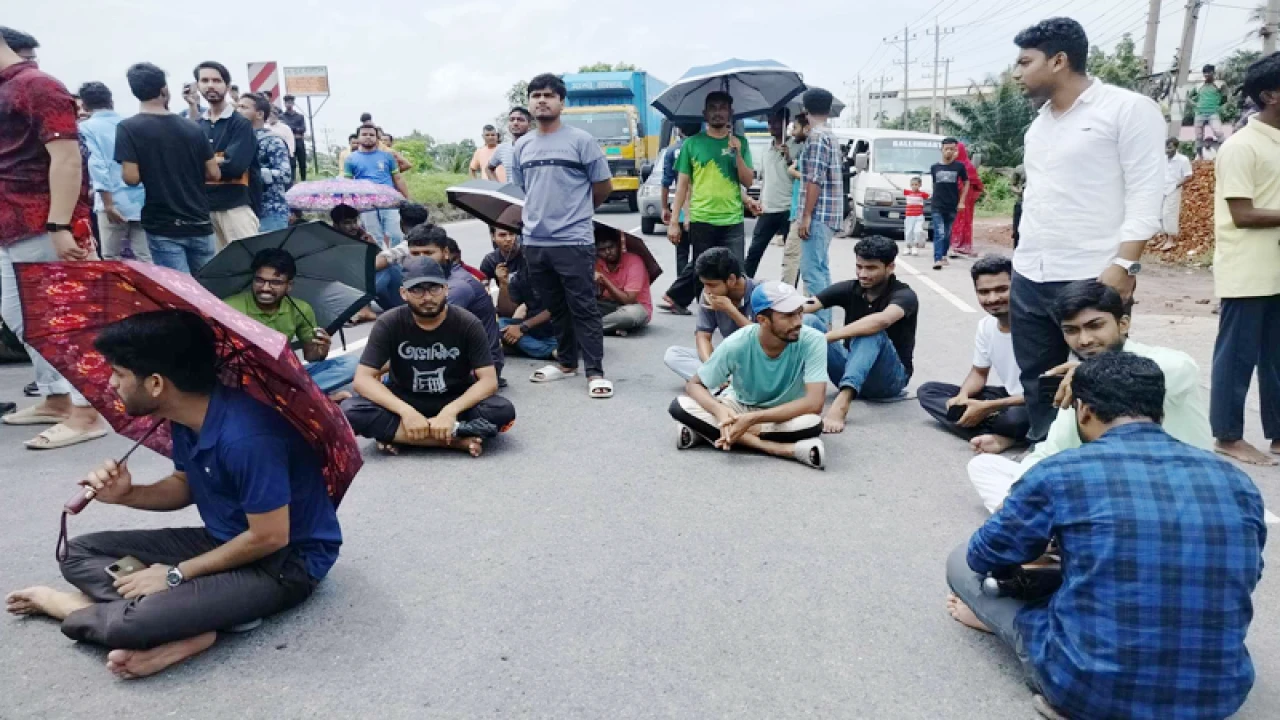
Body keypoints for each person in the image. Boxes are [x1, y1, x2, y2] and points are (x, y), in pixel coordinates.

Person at [4, 310, 342, 679]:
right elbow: (184, 486)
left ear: (155, 384)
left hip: (285, 562)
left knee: (133, 626)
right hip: (225, 539)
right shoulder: (189, 416)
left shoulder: (248, 438)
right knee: (78, 552)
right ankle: (194, 620)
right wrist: (126, 494)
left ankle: (79, 608)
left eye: (119, 373)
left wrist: (176, 576)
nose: (112, 383)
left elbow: (270, 536)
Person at [946, 352, 1265, 720]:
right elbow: (1246, 575)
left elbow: (985, 556)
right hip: (1218, 696)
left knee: (961, 563)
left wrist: (1046, 552)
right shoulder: (1234, 480)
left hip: (1090, 690)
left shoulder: (1061, 472)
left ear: (1083, 411)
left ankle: (1003, 625)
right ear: (1158, 411)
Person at [1010, 17, 1164, 442]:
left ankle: (1104, 467)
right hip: (1031, 271)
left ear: (1059, 60)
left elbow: (1147, 192)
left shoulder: (1126, 109)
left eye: (1025, 62)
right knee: (1039, 378)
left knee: (1101, 378)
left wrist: (1125, 264)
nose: (1017, 73)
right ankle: (1046, 458)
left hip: (1092, 272)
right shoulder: (1039, 125)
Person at [967, 280, 1211, 513]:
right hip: (1104, 486)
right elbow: (1050, 452)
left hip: (1174, 487)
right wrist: (1016, 497)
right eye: (1071, 330)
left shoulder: (1167, 364)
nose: (1084, 340)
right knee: (984, 466)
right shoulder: (1073, 380)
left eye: (1095, 325)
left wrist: (1094, 375)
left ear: (1123, 324)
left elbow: (1182, 371)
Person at [0, 29, 108, 451]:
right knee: (22, 319)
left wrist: (60, 225)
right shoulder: (10, 88)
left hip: (43, 223)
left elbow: (66, 158)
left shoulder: (37, 86)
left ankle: (86, 411)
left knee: (65, 320)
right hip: (13, 227)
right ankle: (57, 397)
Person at [341, 258, 516, 456]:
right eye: (417, 290)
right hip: (404, 399)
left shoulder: (467, 323)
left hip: (455, 399)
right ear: (403, 293)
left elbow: (489, 381)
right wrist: (406, 412)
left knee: (501, 410)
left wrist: (449, 412)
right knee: (351, 411)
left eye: (434, 288)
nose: (427, 297)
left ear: (446, 289)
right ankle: (455, 440)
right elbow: (363, 379)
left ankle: (403, 437)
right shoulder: (389, 323)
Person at [511, 73, 615, 398]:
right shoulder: (522, 146)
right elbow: (523, 189)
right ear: (530, 102)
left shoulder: (581, 141)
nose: (542, 100)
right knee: (555, 307)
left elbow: (603, 186)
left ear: (561, 102)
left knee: (583, 306)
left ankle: (595, 372)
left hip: (574, 241)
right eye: (536, 95)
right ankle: (567, 363)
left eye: (549, 95)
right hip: (535, 242)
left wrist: (579, 213)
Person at [668, 281, 826, 469]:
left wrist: (752, 420)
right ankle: (780, 449)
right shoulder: (738, 342)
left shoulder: (814, 340)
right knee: (680, 406)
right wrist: (719, 412)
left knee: (812, 423)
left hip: (783, 414)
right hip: (739, 406)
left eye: (800, 312)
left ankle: (706, 433)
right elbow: (694, 384)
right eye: (788, 316)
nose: (798, 322)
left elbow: (814, 403)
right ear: (762, 320)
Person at [1209, 51, 1280, 467]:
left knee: (1277, 359)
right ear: (1270, 94)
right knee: (1237, 358)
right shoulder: (1241, 147)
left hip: (1276, 267)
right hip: (1249, 269)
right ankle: (1228, 435)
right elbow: (1242, 213)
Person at [802, 235, 918, 433]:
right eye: (859, 267)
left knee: (871, 331)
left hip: (888, 381)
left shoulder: (904, 295)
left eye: (871, 268)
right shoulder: (850, 288)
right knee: (807, 322)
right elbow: (808, 306)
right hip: (848, 367)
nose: (862, 274)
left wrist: (826, 338)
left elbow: (881, 321)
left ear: (890, 267)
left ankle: (843, 401)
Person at [114, 63, 219, 274]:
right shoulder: (192, 127)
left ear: (135, 92)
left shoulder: (128, 128)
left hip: (162, 224)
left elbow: (131, 178)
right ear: (164, 90)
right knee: (210, 289)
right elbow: (214, 173)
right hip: (199, 220)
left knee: (180, 292)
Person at [918, 256, 1027, 453]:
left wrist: (988, 407)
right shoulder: (986, 326)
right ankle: (1009, 434)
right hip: (1008, 398)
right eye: (984, 292)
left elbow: (1043, 392)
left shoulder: (1037, 327)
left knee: (1016, 418)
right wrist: (963, 396)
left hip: (1032, 401)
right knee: (928, 392)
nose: (992, 298)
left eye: (1002, 289)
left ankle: (1006, 434)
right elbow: (978, 373)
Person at [662, 91, 757, 313]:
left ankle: (735, 315)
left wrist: (738, 155)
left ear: (730, 113)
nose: (717, 112)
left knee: (736, 271)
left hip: (732, 219)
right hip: (702, 218)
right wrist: (675, 221)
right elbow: (683, 184)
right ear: (704, 113)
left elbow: (748, 181)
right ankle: (707, 316)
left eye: (722, 107)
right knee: (703, 271)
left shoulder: (740, 143)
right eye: (712, 108)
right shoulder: (692, 144)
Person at [223, 249, 358, 396]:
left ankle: (291, 397)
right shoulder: (229, 307)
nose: (265, 288)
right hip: (245, 377)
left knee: (352, 364)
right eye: (259, 280)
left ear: (289, 286)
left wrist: (321, 350)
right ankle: (305, 398)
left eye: (275, 282)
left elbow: (311, 357)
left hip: (285, 375)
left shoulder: (301, 309)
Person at [403, 224, 504, 380]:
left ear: (445, 253)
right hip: (443, 352)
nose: (422, 259)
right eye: (415, 254)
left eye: (429, 253)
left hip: (477, 366)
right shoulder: (420, 280)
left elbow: (428, 332)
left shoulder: (457, 286)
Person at [184, 61, 258, 248]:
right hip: (204, 209)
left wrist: (200, 163)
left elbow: (235, 165)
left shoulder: (239, 124)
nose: (210, 85)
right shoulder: (198, 125)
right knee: (214, 270)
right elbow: (185, 166)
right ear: (198, 85)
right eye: (205, 80)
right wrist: (217, 160)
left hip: (235, 208)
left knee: (246, 264)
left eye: (216, 80)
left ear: (226, 85)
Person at [76, 81, 151, 262]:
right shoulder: (131, 123)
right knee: (146, 257)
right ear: (111, 101)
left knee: (111, 258)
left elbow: (98, 165)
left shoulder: (85, 128)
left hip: (111, 200)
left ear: (84, 105)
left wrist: (108, 204)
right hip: (142, 198)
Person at [663, 247, 756, 381]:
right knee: (673, 355)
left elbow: (763, 339)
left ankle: (718, 384)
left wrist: (731, 310)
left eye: (711, 285)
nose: (706, 290)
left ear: (731, 280)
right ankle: (720, 382)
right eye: (704, 284)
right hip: (731, 359)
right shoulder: (708, 294)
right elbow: (703, 336)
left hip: (758, 361)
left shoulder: (760, 294)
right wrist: (711, 367)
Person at [795, 88, 843, 323]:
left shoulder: (816, 137)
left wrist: (806, 216)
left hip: (819, 213)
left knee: (812, 272)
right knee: (821, 270)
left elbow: (814, 180)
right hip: (830, 213)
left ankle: (820, 326)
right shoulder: (830, 135)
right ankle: (826, 322)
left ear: (805, 110)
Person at [483, 226, 558, 361]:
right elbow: (507, 310)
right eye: (502, 235)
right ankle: (549, 351)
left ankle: (542, 349)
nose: (509, 239)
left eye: (512, 234)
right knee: (498, 325)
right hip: (532, 324)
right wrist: (504, 284)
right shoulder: (519, 275)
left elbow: (556, 308)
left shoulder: (550, 268)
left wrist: (522, 327)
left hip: (557, 325)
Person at [744, 109, 795, 278]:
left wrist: (789, 157)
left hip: (789, 210)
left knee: (791, 259)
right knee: (753, 253)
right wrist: (759, 201)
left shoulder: (796, 146)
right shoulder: (767, 149)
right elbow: (765, 180)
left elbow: (802, 178)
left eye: (776, 121)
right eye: (769, 121)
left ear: (786, 123)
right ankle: (744, 289)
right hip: (767, 209)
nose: (771, 125)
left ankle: (788, 293)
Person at [344, 125, 410, 248]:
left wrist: (407, 198)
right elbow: (347, 183)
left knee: (396, 235)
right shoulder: (350, 159)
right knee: (374, 237)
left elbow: (398, 178)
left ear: (377, 138)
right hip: (365, 204)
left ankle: (396, 263)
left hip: (389, 201)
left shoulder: (387, 156)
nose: (368, 137)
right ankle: (381, 264)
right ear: (358, 138)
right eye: (364, 134)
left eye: (371, 134)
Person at [236, 93, 291, 233]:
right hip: (244, 211)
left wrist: (254, 174)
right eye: (237, 107)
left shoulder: (272, 140)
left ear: (259, 114)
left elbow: (285, 175)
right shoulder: (237, 140)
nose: (238, 111)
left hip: (270, 211)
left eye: (243, 107)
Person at [660, 122, 700, 283]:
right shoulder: (702, 147)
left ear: (678, 129)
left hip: (681, 210)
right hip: (702, 209)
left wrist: (664, 207)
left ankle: (681, 288)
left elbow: (666, 182)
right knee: (701, 253)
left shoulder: (671, 151)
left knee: (682, 253)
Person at [594, 227, 651, 336]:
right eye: (602, 250)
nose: (608, 252)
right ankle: (610, 328)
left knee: (630, 316)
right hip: (608, 306)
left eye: (611, 247)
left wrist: (604, 281)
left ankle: (588, 329)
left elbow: (628, 300)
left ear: (618, 244)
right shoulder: (597, 263)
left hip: (635, 307)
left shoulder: (634, 261)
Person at [928, 137, 969, 270]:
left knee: (947, 233)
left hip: (952, 205)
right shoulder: (934, 167)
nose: (949, 151)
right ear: (942, 149)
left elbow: (966, 182)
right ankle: (937, 259)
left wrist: (962, 201)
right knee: (939, 232)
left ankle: (943, 255)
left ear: (956, 150)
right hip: (937, 205)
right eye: (947, 149)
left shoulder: (959, 167)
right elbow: (934, 185)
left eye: (952, 149)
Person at [781, 112, 810, 286]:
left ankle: (786, 296)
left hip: (802, 212)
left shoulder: (811, 149)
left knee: (792, 257)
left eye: (796, 128)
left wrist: (794, 173)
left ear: (806, 129)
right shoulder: (804, 149)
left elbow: (813, 180)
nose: (792, 132)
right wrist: (788, 159)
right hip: (799, 210)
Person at [1156, 137, 1193, 252]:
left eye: (1170, 147)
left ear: (1176, 147)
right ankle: (1165, 238)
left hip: (1173, 189)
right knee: (1160, 214)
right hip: (1161, 188)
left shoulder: (1183, 160)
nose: (1168, 150)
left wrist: (1176, 185)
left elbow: (1188, 176)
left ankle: (1171, 240)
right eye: (1166, 147)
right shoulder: (1162, 159)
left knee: (1169, 214)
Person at [947, 141, 982, 257]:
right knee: (955, 221)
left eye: (956, 150)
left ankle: (965, 245)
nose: (954, 153)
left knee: (966, 222)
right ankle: (954, 245)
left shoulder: (968, 166)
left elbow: (977, 182)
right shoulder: (950, 165)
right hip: (953, 198)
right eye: (952, 150)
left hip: (967, 200)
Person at [486, 107, 532, 182]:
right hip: (510, 193)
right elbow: (489, 169)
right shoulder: (502, 148)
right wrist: (498, 187)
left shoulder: (536, 147)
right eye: (512, 120)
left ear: (529, 124)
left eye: (520, 120)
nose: (515, 123)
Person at [1195, 63, 1226, 159]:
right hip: (1200, 113)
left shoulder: (1219, 84)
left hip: (1213, 112)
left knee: (1219, 133)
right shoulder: (1199, 86)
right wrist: (1195, 105)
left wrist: (1218, 106)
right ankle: (1200, 157)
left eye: (1209, 72)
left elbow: (1225, 98)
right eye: (1204, 73)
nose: (1206, 75)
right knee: (1199, 137)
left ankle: (1225, 153)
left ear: (1213, 73)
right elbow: (1190, 96)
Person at [280, 94, 308, 181]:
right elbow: (282, 129)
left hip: (299, 141)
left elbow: (303, 129)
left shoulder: (300, 116)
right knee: (291, 163)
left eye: (290, 102)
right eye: (287, 102)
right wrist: (295, 129)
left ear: (293, 103)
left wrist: (290, 128)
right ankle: (292, 182)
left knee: (302, 162)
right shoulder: (281, 117)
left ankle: (304, 180)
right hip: (288, 142)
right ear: (284, 104)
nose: (289, 104)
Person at [266, 106, 297, 180]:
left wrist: (290, 153)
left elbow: (291, 141)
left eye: (271, 116)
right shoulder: (265, 128)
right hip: (269, 156)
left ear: (276, 116)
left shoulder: (285, 128)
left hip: (285, 155)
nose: (270, 118)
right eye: (268, 116)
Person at [901, 176, 928, 257]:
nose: (914, 186)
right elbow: (897, 187)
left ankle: (915, 246)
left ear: (920, 185)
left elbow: (930, 196)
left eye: (916, 184)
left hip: (919, 216)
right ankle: (907, 246)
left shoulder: (922, 194)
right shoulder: (907, 192)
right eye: (912, 184)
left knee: (917, 231)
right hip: (909, 216)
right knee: (908, 231)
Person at [1009, 163, 1025, 248]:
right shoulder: (1020, 168)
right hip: (1021, 202)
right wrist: (1018, 192)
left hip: (1038, 205)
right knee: (1017, 231)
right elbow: (1012, 185)